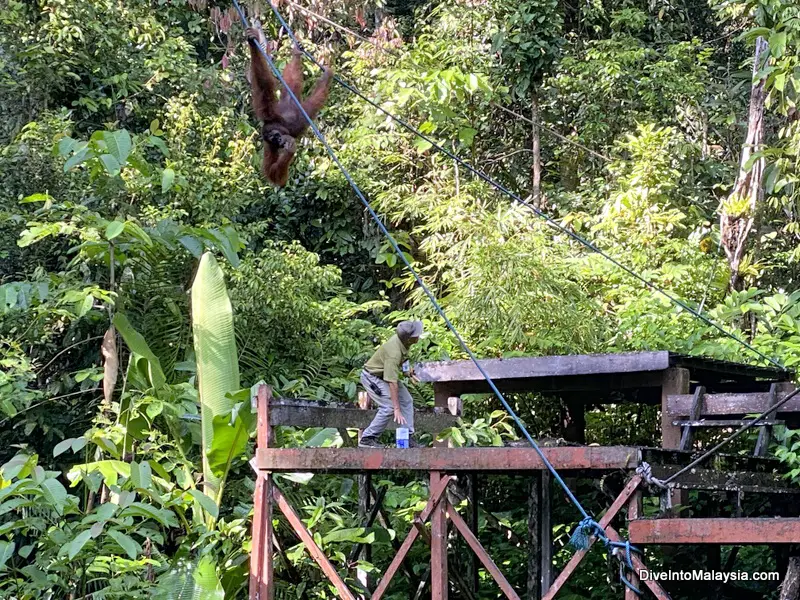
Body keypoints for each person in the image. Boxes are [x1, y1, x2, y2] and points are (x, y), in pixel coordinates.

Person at [359, 320, 424, 448]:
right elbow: (392, 383)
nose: (419, 336)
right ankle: (367, 439)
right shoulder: (393, 354)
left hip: (384, 375)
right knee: (388, 407)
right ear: (409, 339)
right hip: (372, 377)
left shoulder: (402, 341)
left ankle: (407, 437)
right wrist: (396, 409)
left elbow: (404, 358)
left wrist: (407, 372)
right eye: (416, 334)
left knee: (407, 400)